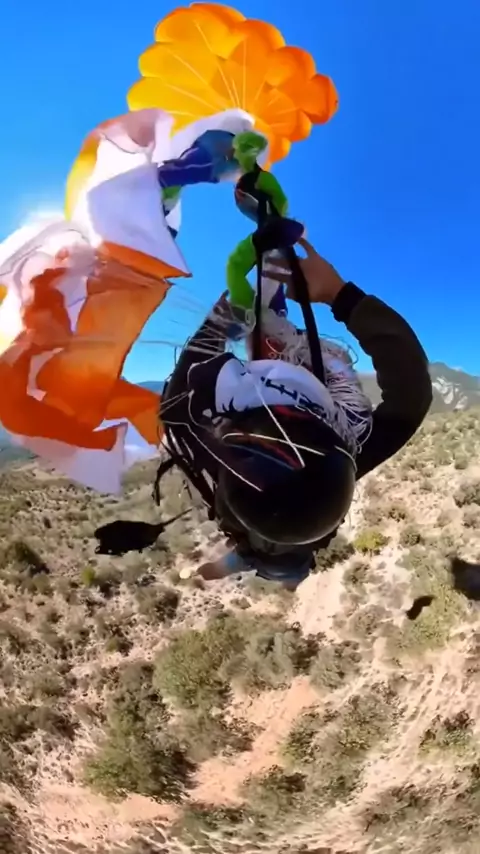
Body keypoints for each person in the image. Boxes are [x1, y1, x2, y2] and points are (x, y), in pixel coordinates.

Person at [159, 236, 432, 589]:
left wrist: (224, 318)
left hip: (255, 524)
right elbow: (412, 395)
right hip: (277, 526)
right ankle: (272, 573)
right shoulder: (339, 457)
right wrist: (339, 295)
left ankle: (247, 566)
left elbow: (412, 399)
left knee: (259, 552)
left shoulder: (337, 455)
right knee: (284, 559)